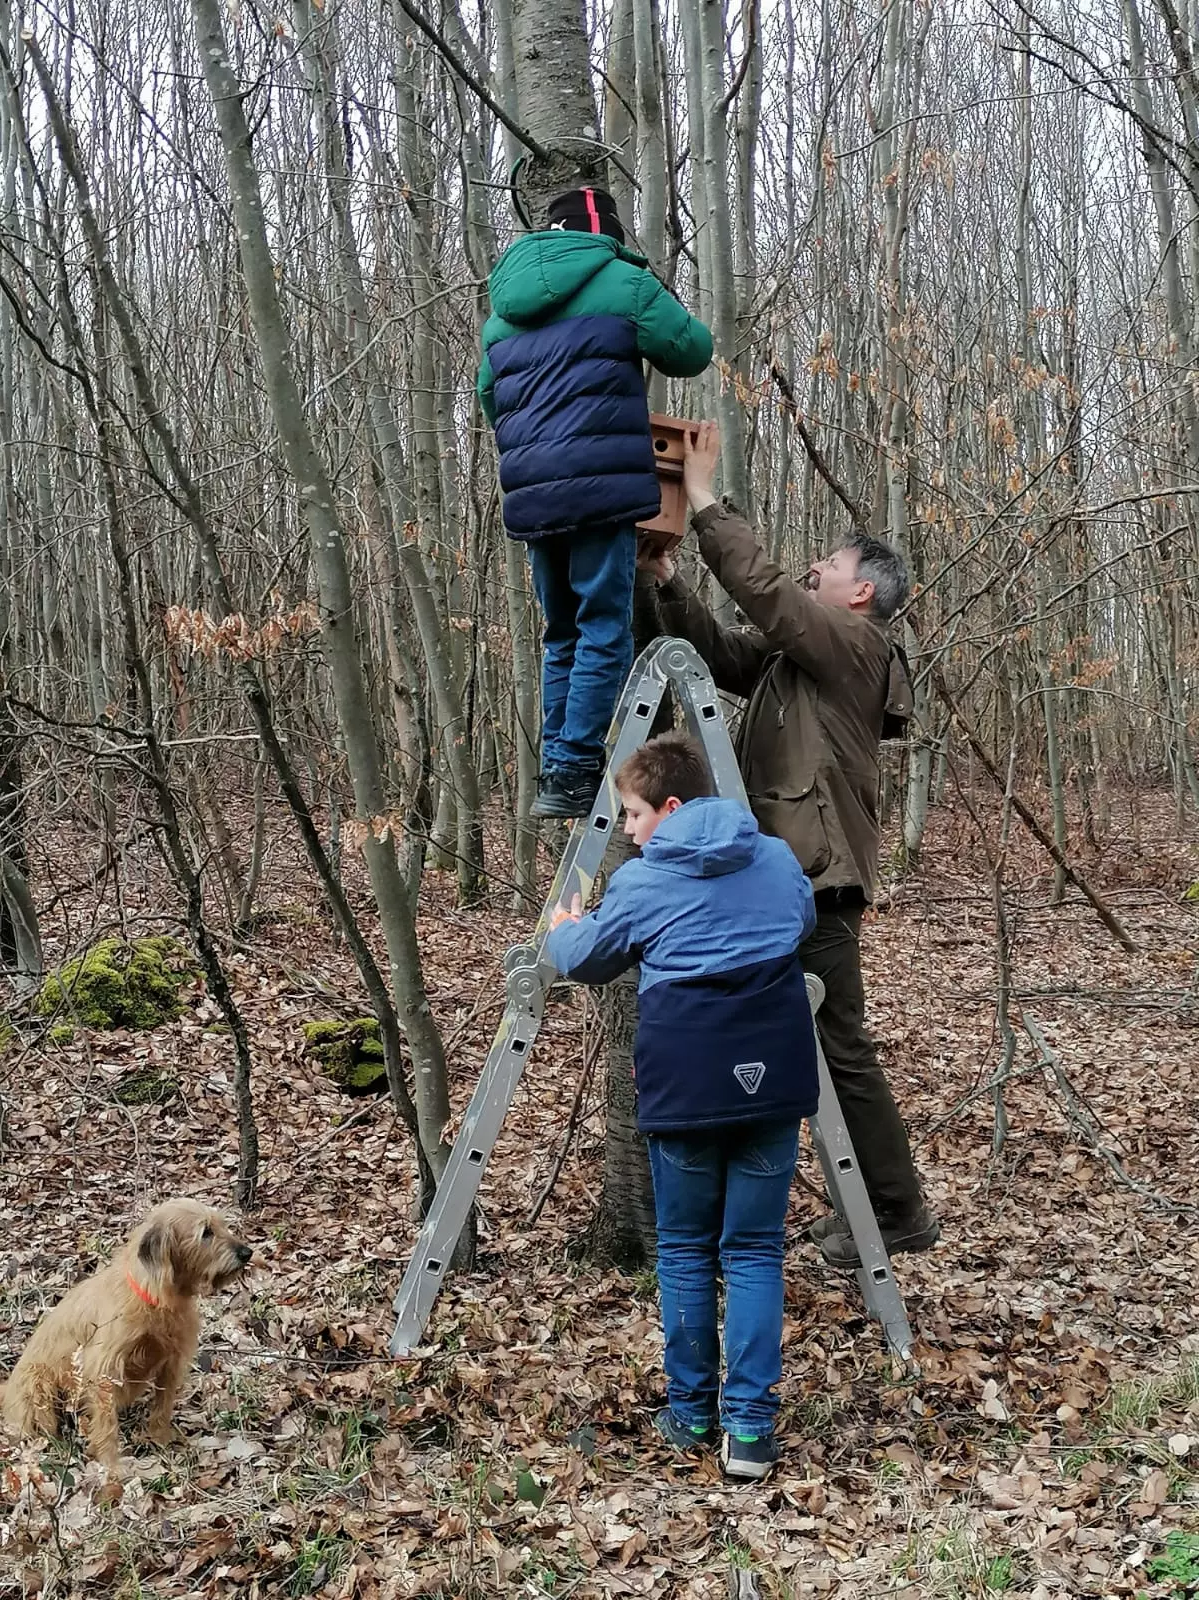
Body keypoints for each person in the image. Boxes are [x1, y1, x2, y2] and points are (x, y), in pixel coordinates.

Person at [638, 422, 940, 1269]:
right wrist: (666, 581)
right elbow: (726, 652)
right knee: (808, 1040)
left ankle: (895, 1208)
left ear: (858, 596)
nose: (814, 570)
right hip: (788, 873)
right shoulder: (801, 662)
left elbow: (768, 593)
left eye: (829, 568)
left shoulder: (856, 647)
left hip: (814, 877)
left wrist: (701, 498)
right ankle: (869, 1204)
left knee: (838, 1042)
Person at [546, 731, 818, 1480]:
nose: (627, 830)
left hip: (686, 1085)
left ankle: (692, 1413)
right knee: (757, 1250)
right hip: (774, 1077)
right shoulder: (775, 855)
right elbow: (800, 924)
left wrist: (565, 930)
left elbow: (588, 959)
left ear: (670, 807)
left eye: (632, 815)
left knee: (687, 1249)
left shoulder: (642, 881)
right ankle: (751, 1435)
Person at [477, 187, 712, 819]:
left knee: (560, 632)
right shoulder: (621, 281)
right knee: (603, 625)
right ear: (604, 232)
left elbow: (490, 400)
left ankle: (558, 765)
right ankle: (578, 767)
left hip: (532, 490)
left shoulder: (501, 310)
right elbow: (692, 349)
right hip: (602, 484)